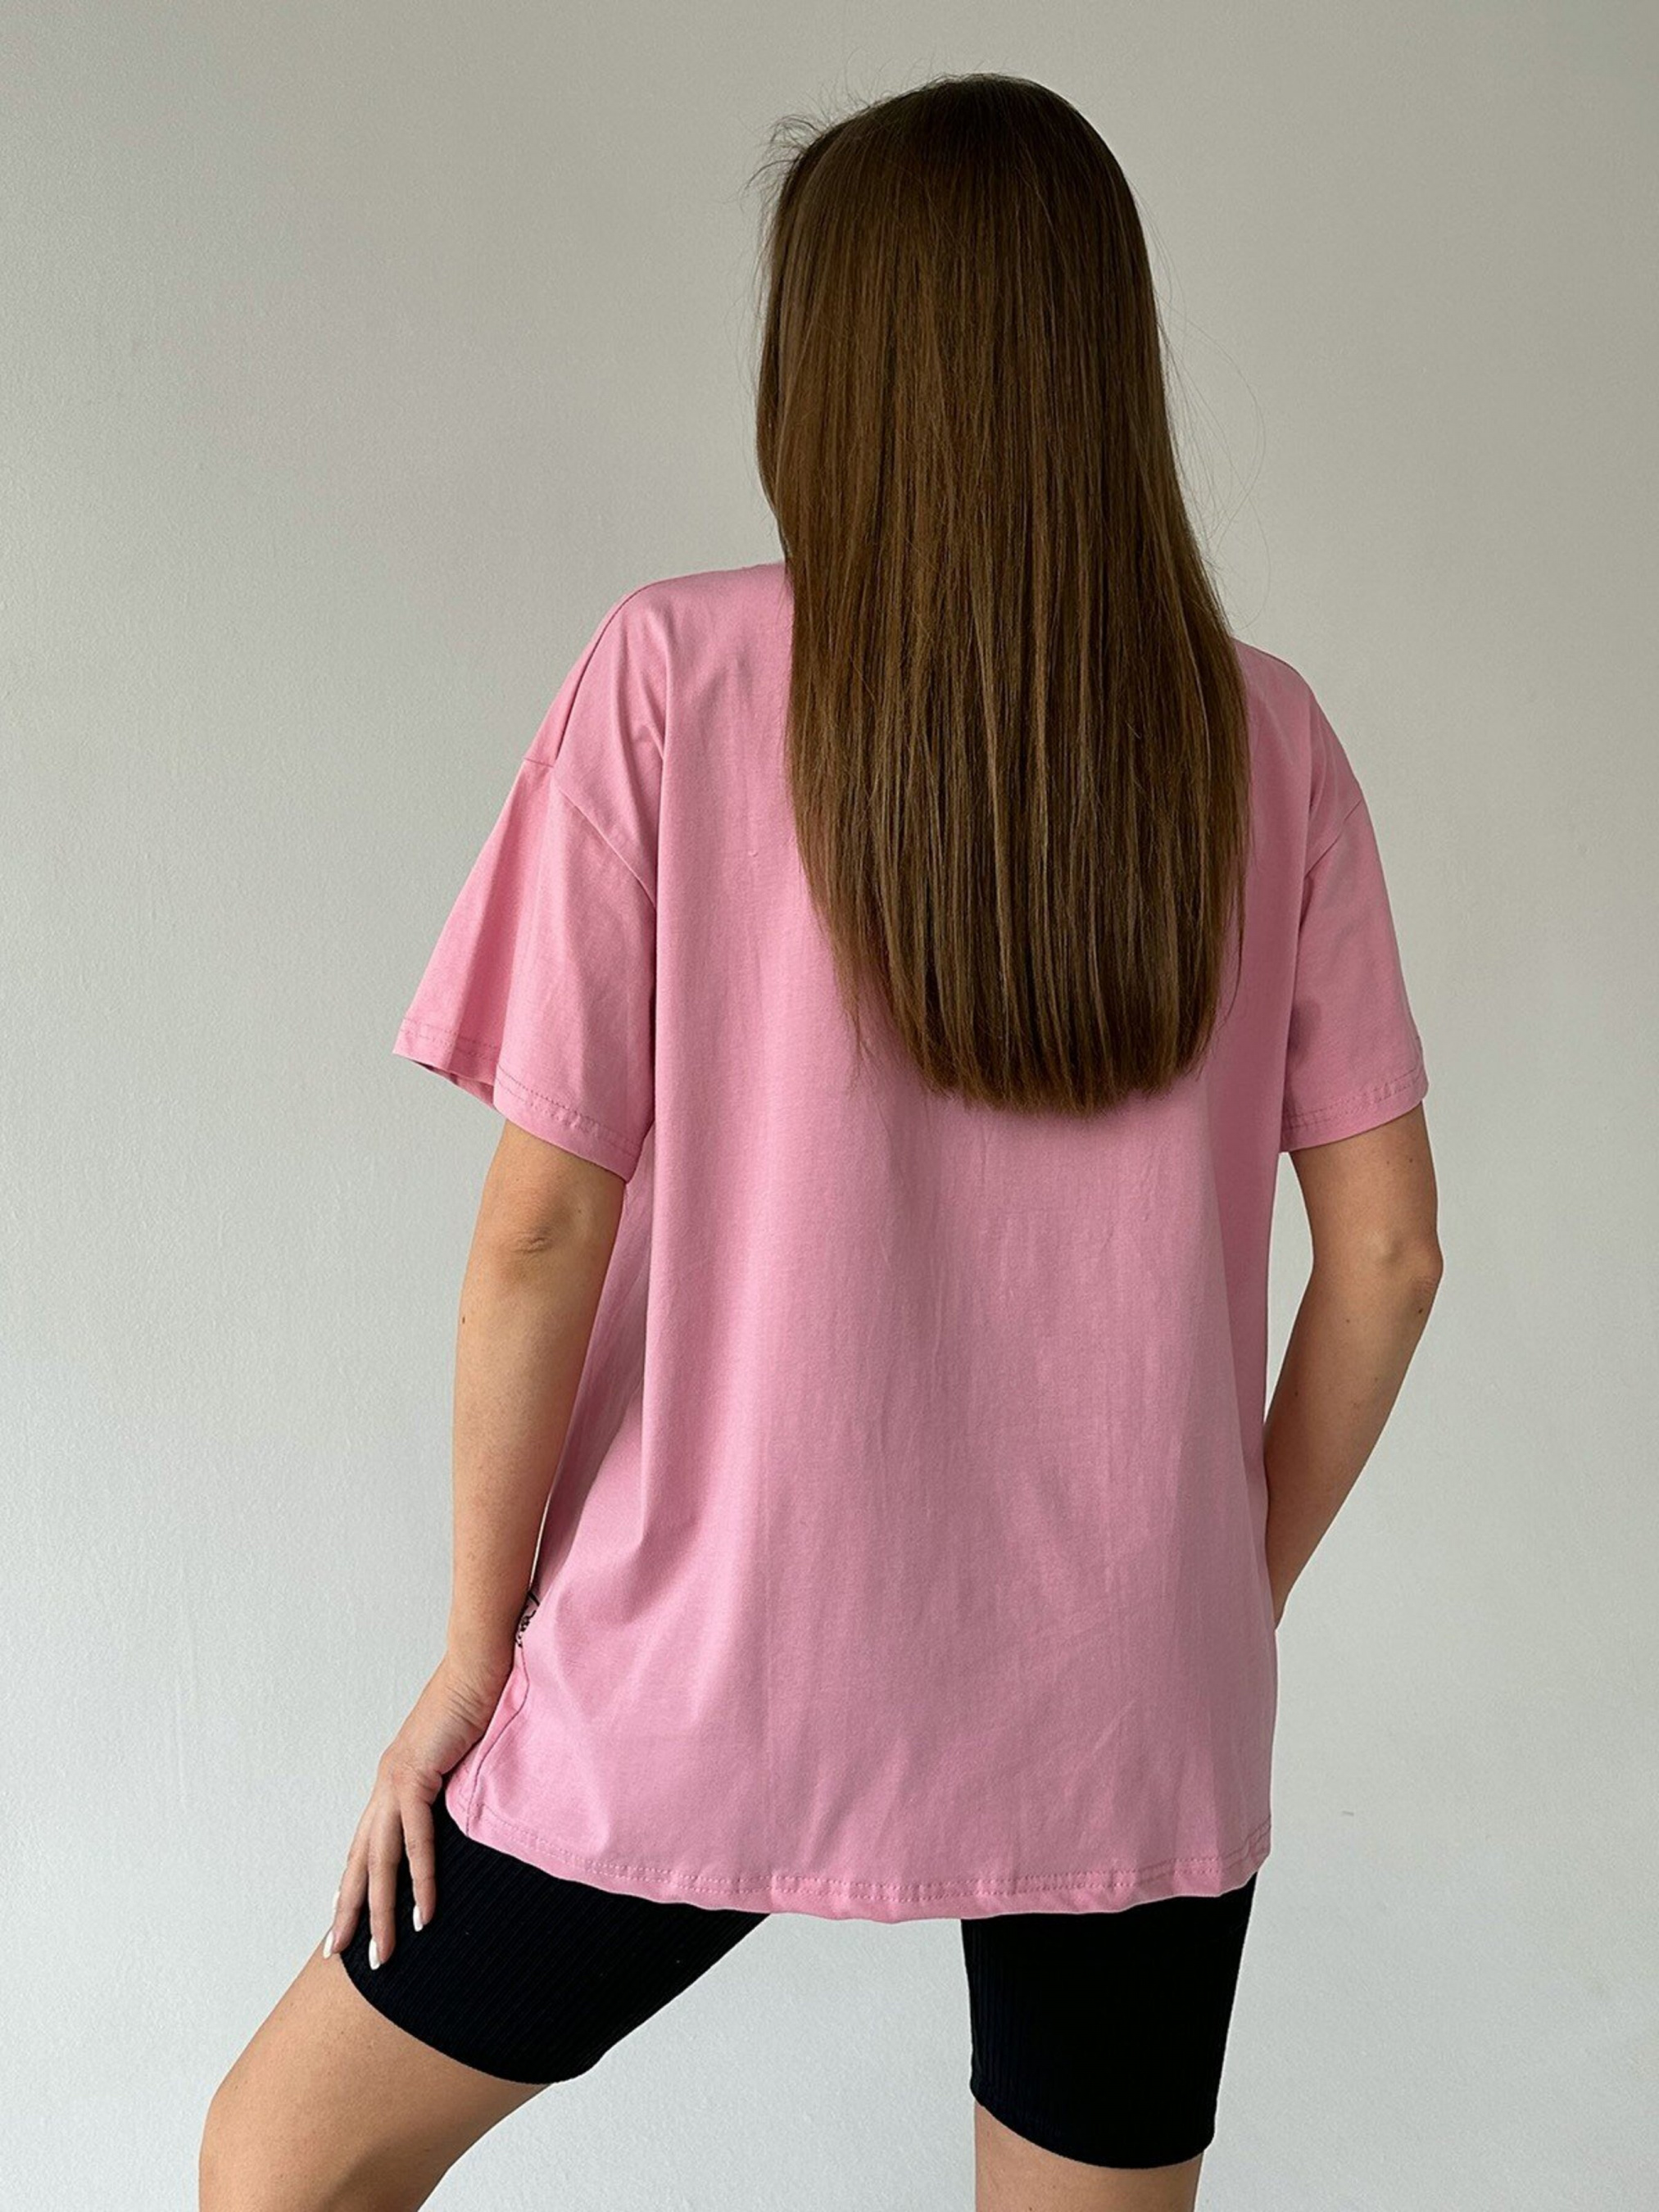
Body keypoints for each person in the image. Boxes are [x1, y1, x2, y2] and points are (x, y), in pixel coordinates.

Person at [201, 70, 1442, 2212]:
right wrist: (1200, 1603)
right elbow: (1391, 1257)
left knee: (281, 2163)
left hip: (702, 1661)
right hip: (1126, 1702)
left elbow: (538, 1232)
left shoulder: (673, 678)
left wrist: (477, 1660)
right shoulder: (1264, 736)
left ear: (834, 365)